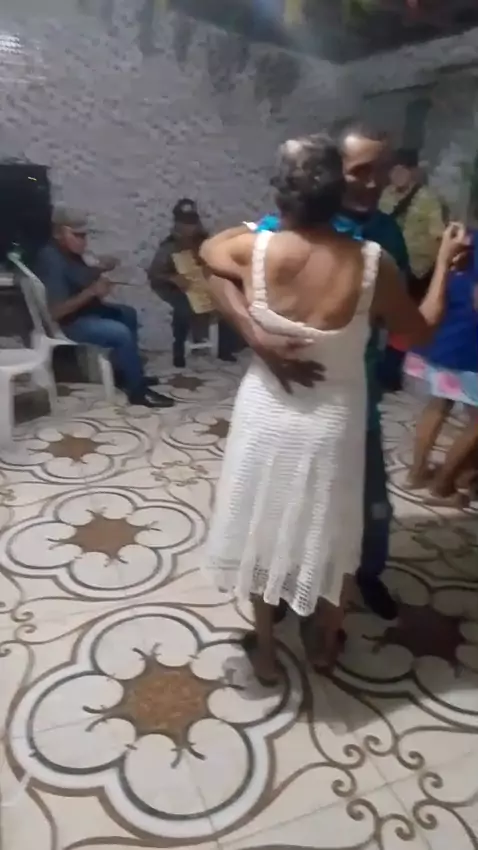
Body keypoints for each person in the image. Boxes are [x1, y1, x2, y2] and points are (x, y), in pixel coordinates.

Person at [200, 133, 466, 685]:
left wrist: (260, 332)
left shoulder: (255, 248)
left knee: (263, 525)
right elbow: (419, 330)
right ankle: (324, 647)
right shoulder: (372, 264)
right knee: (335, 530)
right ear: (337, 189)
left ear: (283, 193)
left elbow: (206, 253)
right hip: (334, 419)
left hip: (267, 411)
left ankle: (266, 652)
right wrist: (444, 264)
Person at [34, 207, 174, 408]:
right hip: (68, 323)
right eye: (77, 235)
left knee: (128, 313)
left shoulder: (68, 253)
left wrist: (100, 269)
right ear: (58, 233)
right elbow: (56, 312)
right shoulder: (52, 260)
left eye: (84, 235)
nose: (83, 241)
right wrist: (92, 292)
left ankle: (126, 374)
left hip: (83, 312)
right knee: (121, 332)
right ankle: (137, 392)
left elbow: (77, 277)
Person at [404, 230, 478, 505]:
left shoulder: (465, 238)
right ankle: (442, 486)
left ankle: (417, 473)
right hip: (470, 347)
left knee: (438, 404)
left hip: (443, 337)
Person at [380, 148, 445, 391]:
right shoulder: (385, 194)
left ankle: (391, 372)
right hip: (387, 263)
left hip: (416, 269)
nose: (397, 176)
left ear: (413, 172)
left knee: (403, 321)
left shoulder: (428, 200)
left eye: (403, 171)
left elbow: (438, 235)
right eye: (394, 171)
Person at [148, 199, 238, 368]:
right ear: (177, 223)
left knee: (227, 300)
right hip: (179, 288)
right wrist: (173, 278)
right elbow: (155, 273)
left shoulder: (205, 242)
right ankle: (178, 349)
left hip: (204, 283)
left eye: (191, 223)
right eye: (184, 223)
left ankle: (225, 347)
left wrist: (211, 267)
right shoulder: (169, 247)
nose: (188, 228)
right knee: (182, 309)